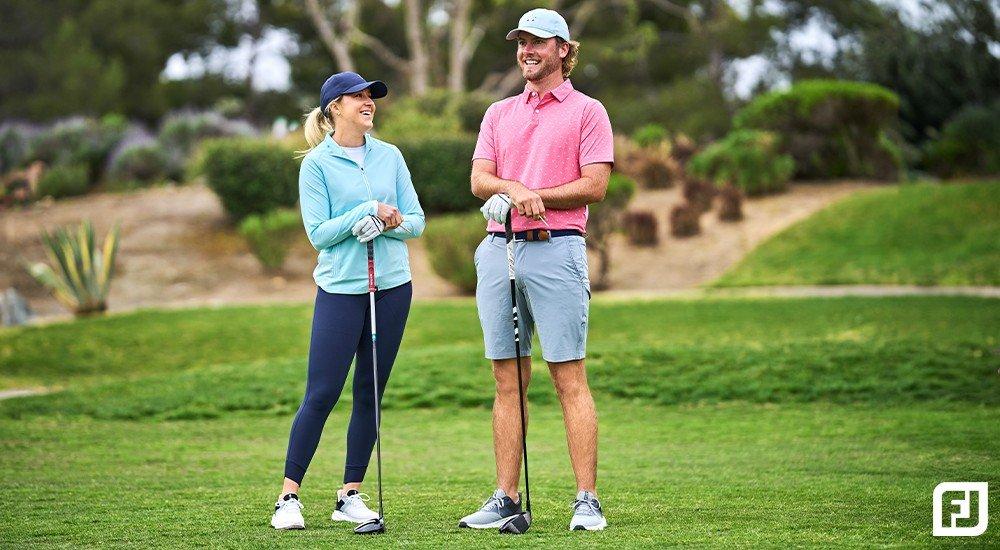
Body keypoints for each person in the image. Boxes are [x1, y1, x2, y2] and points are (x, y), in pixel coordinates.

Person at [459, 8, 614, 532]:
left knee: (568, 375)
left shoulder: (588, 111)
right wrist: (512, 189)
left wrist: (534, 195)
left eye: (538, 42)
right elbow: (480, 179)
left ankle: (586, 500)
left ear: (564, 51)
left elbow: (594, 185)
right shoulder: (498, 112)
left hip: (557, 248)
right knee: (507, 379)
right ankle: (505, 496)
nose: (527, 50)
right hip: (498, 249)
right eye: (521, 42)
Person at [270, 71, 425, 530]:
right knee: (322, 393)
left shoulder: (390, 156)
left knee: (369, 393)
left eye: (370, 96)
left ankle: (350, 495)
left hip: (392, 287)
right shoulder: (316, 164)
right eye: (357, 96)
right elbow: (319, 234)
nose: (368, 101)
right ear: (334, 107)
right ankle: (288, 498)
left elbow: (416, 221)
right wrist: (365, 211)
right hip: (341, 291)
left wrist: (389, 222)